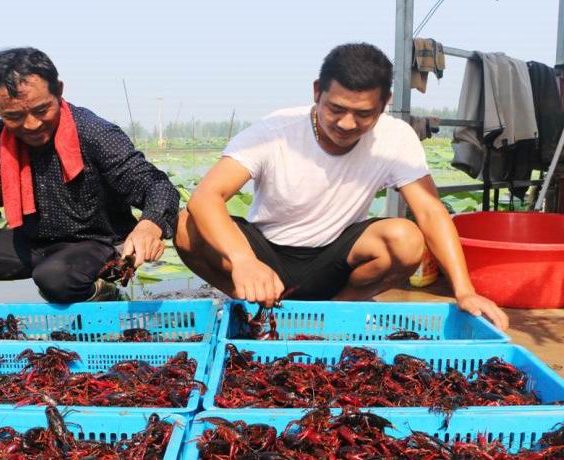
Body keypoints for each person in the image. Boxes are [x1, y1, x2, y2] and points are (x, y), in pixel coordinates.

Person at [175, 43, 509, 330]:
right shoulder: (274, 131)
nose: (347, 124)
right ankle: (248, 301)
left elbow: (431, 212)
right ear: (317, 91)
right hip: (265, 254)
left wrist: (464, 290)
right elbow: (206, 196)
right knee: (187, 225)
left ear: (385, 102)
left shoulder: (395, 138)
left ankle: (336, 312)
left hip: (334, 258)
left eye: (364, 114)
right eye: (336, 109)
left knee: (407, 239)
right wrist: (243, 261)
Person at [0, 47, 179, 328]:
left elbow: (157, 185)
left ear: (58, 90)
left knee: (55, 278)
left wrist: (149, 226)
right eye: (14, 116)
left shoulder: (94, 132)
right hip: (33, 241)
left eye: (42, 110)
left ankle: (108, 304)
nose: (32, 124)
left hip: (99, 242)